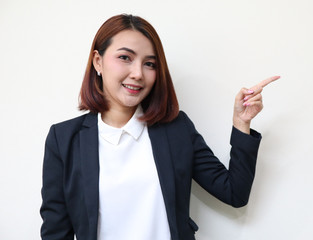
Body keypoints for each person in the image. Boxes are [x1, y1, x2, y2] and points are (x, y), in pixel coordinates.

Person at [40, 14, 279, 240]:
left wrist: (241, 123)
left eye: (150, 64)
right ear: (98, 62)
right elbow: (55, 230)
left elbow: (234, 192)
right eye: (125, 57)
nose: (137, 73)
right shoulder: (63, 139)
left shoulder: (176, 129)